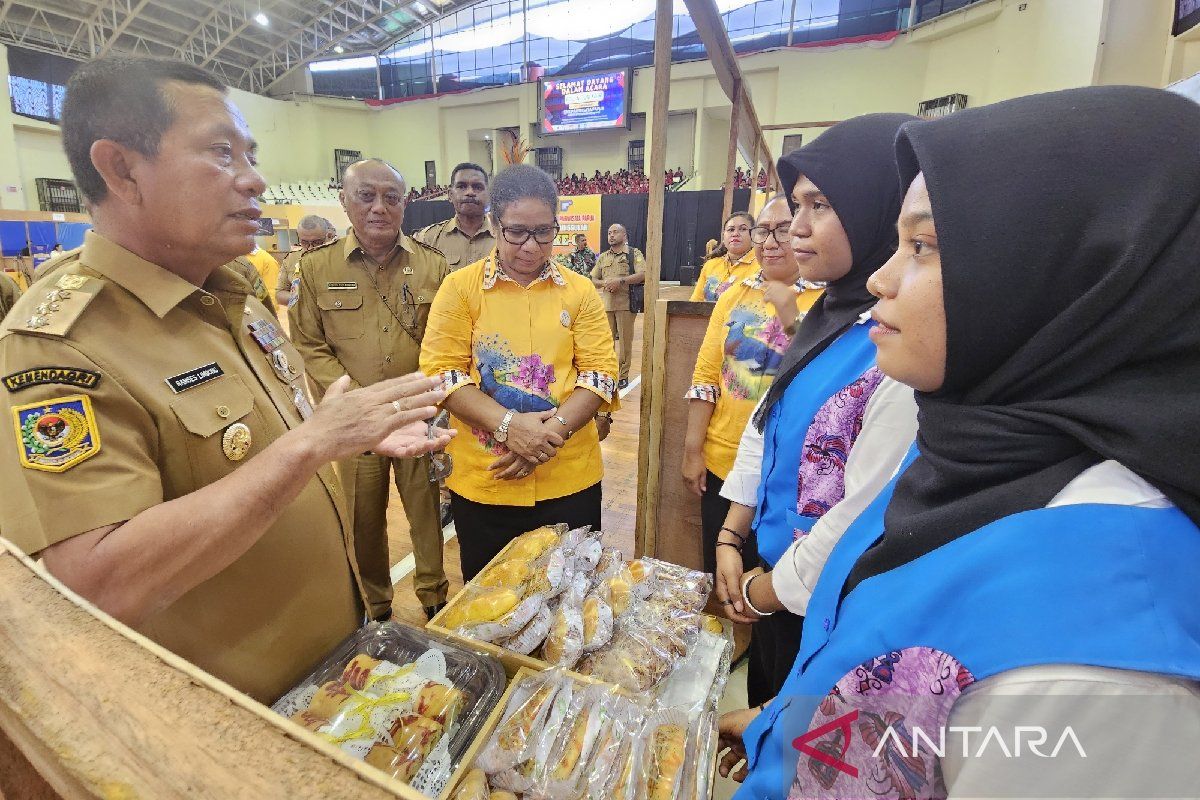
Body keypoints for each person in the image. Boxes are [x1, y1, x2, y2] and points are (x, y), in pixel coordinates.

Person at [721, 86, 1200, 800]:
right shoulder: (970, 452)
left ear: (1054, 280)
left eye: (922, 247)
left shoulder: (1094, 657)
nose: (882, 277)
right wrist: (787, 726)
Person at [0, 56, 450, 704]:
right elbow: (96, 582)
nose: (255, 179)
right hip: (233, 717)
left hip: (325, 674)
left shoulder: (232, 293)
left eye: (250, 153)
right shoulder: (60, 344)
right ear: (121, 169)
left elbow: (259, 441)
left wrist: (347, 433)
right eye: (221, 153)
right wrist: (310, 446)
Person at [713, 115, 918, 707]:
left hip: (832, 607)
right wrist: (733, 534)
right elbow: (770, 421)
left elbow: (864, 512)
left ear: (875, 210)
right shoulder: (828, 315)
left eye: (820, 206)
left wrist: (767, 592)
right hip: (778, 583)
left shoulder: (899, 341)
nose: (797, 229)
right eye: (796, 205)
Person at [421, 164, 619, 579]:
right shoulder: (460, 288)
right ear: (494, 224)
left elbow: (600, 374)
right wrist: (510, 426)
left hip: (569, 477)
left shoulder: (580, 291)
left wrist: (548, 435)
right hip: (487, 481)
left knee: (573, 593)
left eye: (543, 232)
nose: (530, 246)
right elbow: (443, 374)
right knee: (493, 597)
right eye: (516, 232)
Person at [290, 158, 452, 622]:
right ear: (344, 201)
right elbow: (308, 343)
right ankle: (376, 605)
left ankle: (434, 595)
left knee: (425, 514)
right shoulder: (316, 269)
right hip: (354, 424)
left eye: (391, 197)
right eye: (366, 196)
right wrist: (359, 404)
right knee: (363, 519)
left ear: (405, 204)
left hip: (417, 417)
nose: (379, 207)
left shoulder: (432, 266)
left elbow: (445, 342)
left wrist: (422, 403)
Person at [681, 195, 807, 578]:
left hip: (790, 475)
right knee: (722, 576)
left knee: (774, 588)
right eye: (763, 231)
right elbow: (706, 373)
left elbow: (822, 380)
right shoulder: (734, 294)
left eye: (783, 230)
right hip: (723, 464)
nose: (770, 242)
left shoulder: (831, 300)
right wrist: (693, 449)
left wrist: (791, 317)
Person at [589, 223, 645, 390]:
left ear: (624, 235)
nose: (611, 235)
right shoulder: (603, 257)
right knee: (606, 342)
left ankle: (623, 375)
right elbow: (593, 279)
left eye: (615, 232)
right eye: (609, 232)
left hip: (626, 305)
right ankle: (609, 373)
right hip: (607, 305)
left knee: (625, 343)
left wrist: (620, 281)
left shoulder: (634, 253)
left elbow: (643, 274)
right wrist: (604, 283)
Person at [413, 162, 496, 271]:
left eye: (477, 187)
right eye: (461, 186)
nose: (470, 192)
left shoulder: (505, 238)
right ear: (450, 195)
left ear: (488, 195)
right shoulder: (428, 239)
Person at [691, 212, 757, 302]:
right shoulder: (711, 265)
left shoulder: (763, 267)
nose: (735, 234)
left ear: (754, 235)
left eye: (743, 229)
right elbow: (696, 302)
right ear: (723, 236)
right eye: (731, 230)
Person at [275, 214, 335, 309]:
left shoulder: (339, 258)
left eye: (317, 242)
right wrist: (303, 300)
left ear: (328, 236)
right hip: (303, 318)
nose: (310, 248)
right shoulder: (291, 259)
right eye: (305, 242)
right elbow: (280, 294)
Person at [244, 244, 281, 315]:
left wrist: (269, 315)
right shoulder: (226, 257)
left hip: (255, 312)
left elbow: (271, 292)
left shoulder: (266, 260)